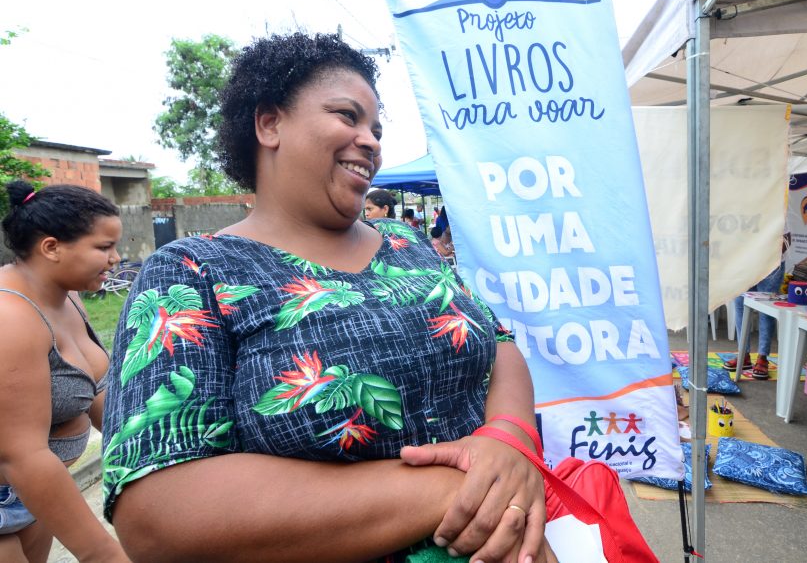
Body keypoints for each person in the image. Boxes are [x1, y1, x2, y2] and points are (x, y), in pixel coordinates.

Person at [101, 32, 554, 563]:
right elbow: (158, 514)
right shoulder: (193, 271)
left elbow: (498, 342)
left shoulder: (407, 245)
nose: (371, 141)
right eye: (348, 116)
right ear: (269, 124)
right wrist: (456, 490)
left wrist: (508, 438)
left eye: (376, 129)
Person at [0, 181, 129, 563]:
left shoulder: (67, 296)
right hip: (16, 484)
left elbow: (96, 391)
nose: (116, 258)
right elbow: (22, 456)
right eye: (104, 247)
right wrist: (105, 554)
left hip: (34, 495)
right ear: (51, 247)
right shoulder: (10, 319)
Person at [726, 230, 792, 379]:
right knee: (740, 304)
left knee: (766, 309)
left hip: (770, 265)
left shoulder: (776, 214)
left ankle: (763, 357)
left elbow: (786, 237)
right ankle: (743, 354)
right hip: (745, 264)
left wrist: (767, 259)